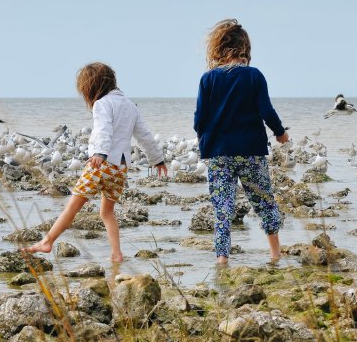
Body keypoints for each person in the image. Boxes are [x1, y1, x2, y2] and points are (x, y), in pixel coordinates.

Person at [24, 62, 167, 262]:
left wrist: (100, 152)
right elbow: (145, 135)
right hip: (120, 167)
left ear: (92, 86)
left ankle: (47, 241)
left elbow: (103, 129)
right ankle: (116, 254)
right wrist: (157, 159)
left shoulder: (102, 104)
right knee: (107, 213)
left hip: (102, 164)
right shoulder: (130, 105)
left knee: (72, 206)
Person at [194, 19, 289, 265]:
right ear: (245, 48)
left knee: (222, 207)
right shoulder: (254, 75)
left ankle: (222, 259)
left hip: (219, 153)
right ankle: (275, 254)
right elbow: (266, 111)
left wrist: (203, 139)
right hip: (251, 151)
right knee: (264, 201)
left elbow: (199, 118)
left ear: (218, 48)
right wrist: (280, 133)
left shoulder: (208, 79)